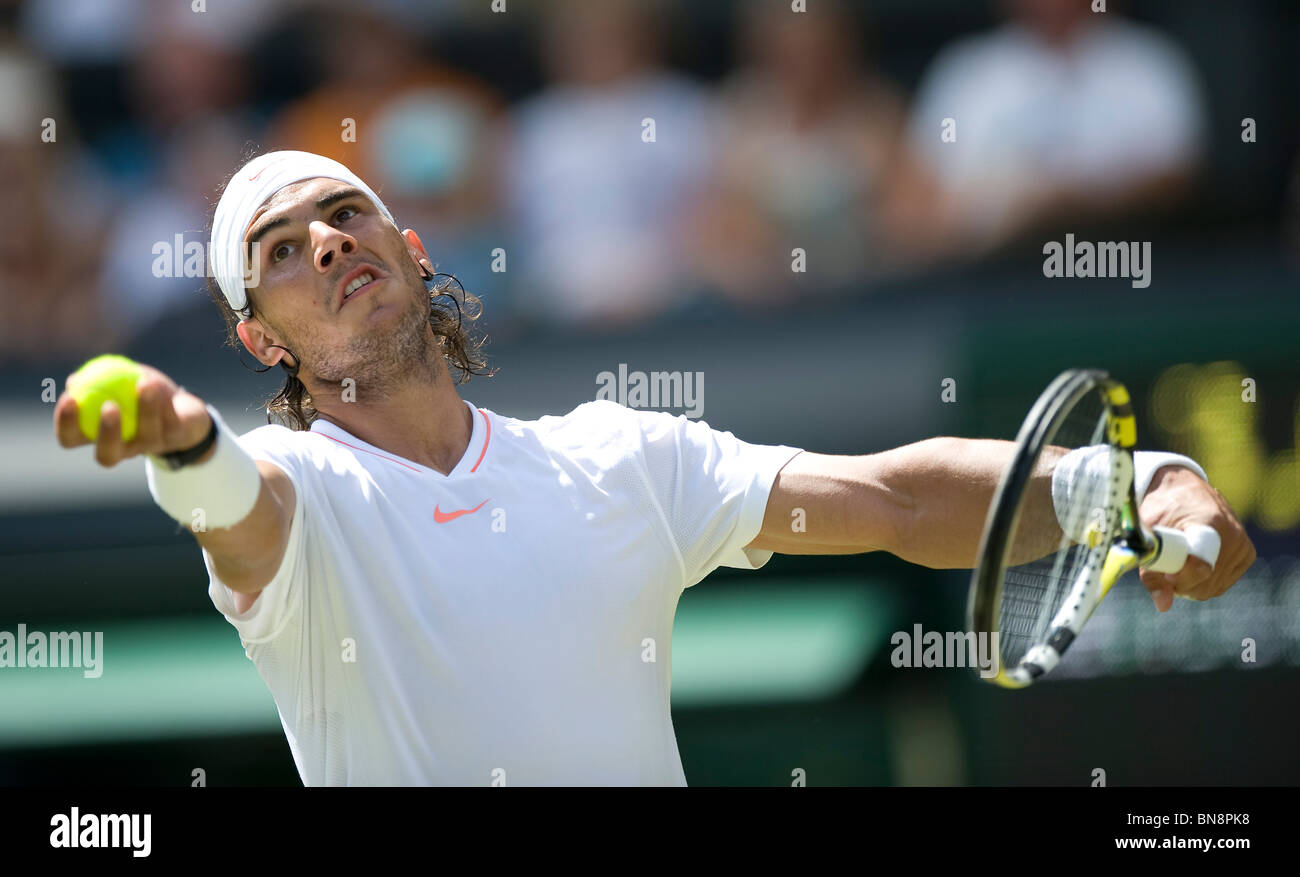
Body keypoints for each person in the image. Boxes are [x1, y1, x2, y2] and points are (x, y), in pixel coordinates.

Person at [53, 151, 1255, 786]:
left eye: (347, 212)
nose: (326, 240)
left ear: (411, 252)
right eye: (279, 248)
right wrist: (181, 438)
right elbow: (233, 510)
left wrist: (1132, 479)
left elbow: (892, 494)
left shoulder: (619, 455)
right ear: (260, 338)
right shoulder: (296, 490)